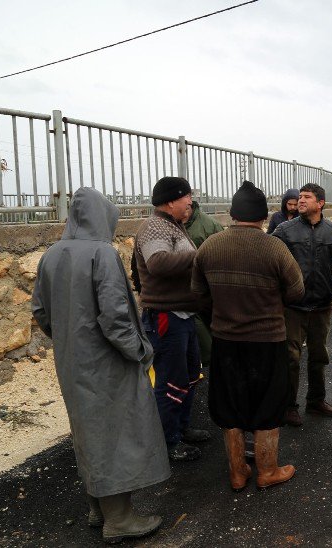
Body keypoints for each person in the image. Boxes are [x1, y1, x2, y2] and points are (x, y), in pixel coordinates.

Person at [32, 187, 169, 543]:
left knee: (87, 432)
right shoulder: (101, 254)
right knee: (115, 434)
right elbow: (115, 318)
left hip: (72, 362)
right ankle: (120, 519)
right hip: (108, 363)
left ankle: (98, 508)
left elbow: (41, 313)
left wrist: (68, 341)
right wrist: (139, 351)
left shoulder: (51, 255)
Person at [191, 181, 305, 491]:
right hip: (268, 341)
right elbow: (297, 291)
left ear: (231, 214)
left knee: (230, 404)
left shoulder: (209, 247)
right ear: (264, 217)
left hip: (226, 342)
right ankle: (267, 471)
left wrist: (223, 311)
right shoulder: (274, 247)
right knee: (269, 402)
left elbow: (198, 296)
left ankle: (238, 472)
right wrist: (271, 303)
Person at [133, 176, 210, 462]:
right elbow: (158, 263)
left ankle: (181, 428)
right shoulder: (154, 226)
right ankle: (167, 443)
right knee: (170, 380)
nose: (190, 201)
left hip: (183, 315)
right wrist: (201, 256)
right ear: (170, 201)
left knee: (190, 376)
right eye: (186, 196)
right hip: (166, 317)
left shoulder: (173, 226)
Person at [273, 183, 332, 427]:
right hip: (293, 308)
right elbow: (270, 259)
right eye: (300, 197)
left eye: (307, 197)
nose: (301, 201)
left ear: (321, 203)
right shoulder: (284, 231)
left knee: (319, 356)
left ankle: (316, 401)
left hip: (321, 307)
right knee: (291, 358)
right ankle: (288, 406)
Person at [184, 200, 224, 371]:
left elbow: (223, 258)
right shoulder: (167, 226)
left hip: (209, 293)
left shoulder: (210, 226)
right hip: (184, 295)